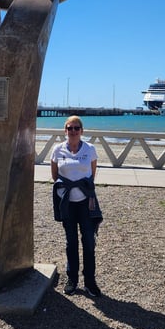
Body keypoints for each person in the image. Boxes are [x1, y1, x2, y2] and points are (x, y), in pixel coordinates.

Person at [51, 115, 102, 296]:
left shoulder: (90, 149)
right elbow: (55, 175)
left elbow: (92, 174)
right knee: (70, 242)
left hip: (85, 202)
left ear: (81, 131)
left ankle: (90, 281)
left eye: (76, 128)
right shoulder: (58, 149)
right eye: (69, 128)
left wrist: (83, 190)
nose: (73, 131)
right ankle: (72, 279)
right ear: (65, 131)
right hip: (67, 204)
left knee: (88, 242)